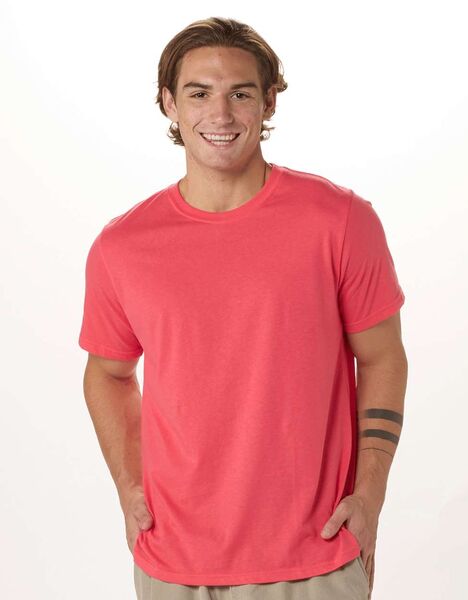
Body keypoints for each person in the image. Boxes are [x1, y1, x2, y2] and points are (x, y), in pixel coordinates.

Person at [78, 16, 408, 600]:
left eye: (240, 93)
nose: (221, 114)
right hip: (173, 562)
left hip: (314, 557)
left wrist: (371, 495)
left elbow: (382, 356)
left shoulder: (339, 221)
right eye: (198, 94)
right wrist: (129, 487)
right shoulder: (122, 246)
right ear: (168, 104)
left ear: (269, 101)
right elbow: (106, 372)